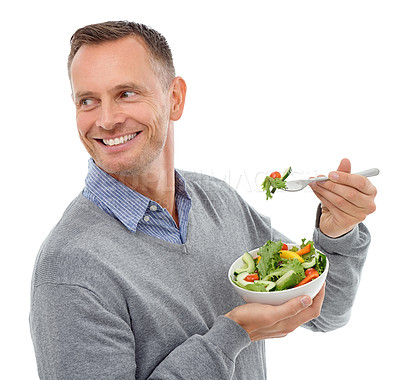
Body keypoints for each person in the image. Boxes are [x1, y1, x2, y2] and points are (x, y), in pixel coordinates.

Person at [30, 21, 377, 380]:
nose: (106, 120)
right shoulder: (70, 268)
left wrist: (338, 231)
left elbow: (326, 309)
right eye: (88, 101)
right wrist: (231, 336)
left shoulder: (219, 202)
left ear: (175, 98)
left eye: (126, 93)